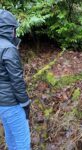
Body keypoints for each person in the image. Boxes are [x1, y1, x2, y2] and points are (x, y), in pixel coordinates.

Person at [0, 9, 31, 149]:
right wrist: (25, 103)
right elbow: (17, 80)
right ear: (7, 29)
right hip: (11, 103)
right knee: (22, 142)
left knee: (11, 138)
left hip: (1, 103)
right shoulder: (8, 49)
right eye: (13, 29)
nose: (15, 32)